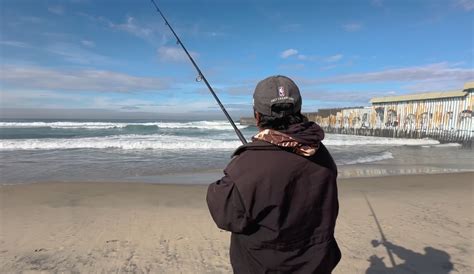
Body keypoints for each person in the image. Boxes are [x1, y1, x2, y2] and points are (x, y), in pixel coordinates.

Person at [206, 75, 341, 273]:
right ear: (299, 110)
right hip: (316, 265)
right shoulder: (321, 153)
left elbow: (226, 215)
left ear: (257, 116)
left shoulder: (246, 168)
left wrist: (241, 166)